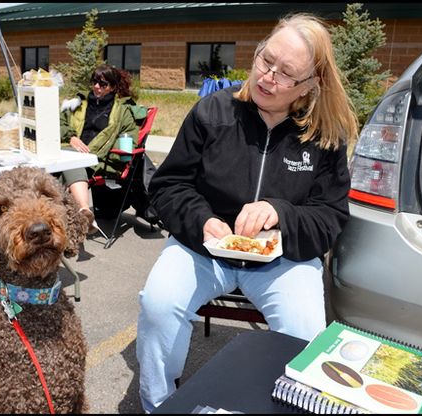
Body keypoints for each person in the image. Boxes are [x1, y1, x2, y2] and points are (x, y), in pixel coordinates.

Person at [135, 13, 359, 413]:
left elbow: (329, 219)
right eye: (265, 60)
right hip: (203, 248)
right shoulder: (212, 112)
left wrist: (280, 213)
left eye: (286, 73)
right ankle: (160, 405)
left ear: (310, 85)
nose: (267, 77)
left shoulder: (325, 136)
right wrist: (201, 219)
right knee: (158, 303)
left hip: (282, 260)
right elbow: (168, 186)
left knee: (307, 333)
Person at [59, 64, 147, 222]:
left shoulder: (123, 111)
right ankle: (81, 211)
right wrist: (71, 137)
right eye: (94, 82)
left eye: (103, 84)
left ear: (113, 87)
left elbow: (128, 141)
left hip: (98, 160)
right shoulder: (78, 103)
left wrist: (101, 153)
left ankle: (79, 212)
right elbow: (59, 123)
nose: (96, 87)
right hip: (68, 151)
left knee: (63, 168)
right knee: (54, 168)